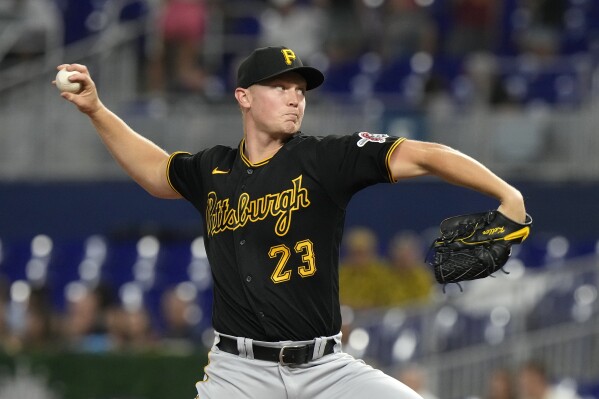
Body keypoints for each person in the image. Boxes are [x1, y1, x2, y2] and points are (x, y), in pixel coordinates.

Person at [54, 45, 527, 398]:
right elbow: (156, 173)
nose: (294, 98)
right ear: (243, 96)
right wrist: (96, 109)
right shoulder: (212, 169)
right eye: (280, 87)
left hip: (326, 370)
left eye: (300, 90)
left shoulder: (324, 159)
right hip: (238, 374)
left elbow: (426, 155)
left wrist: (506, 193)